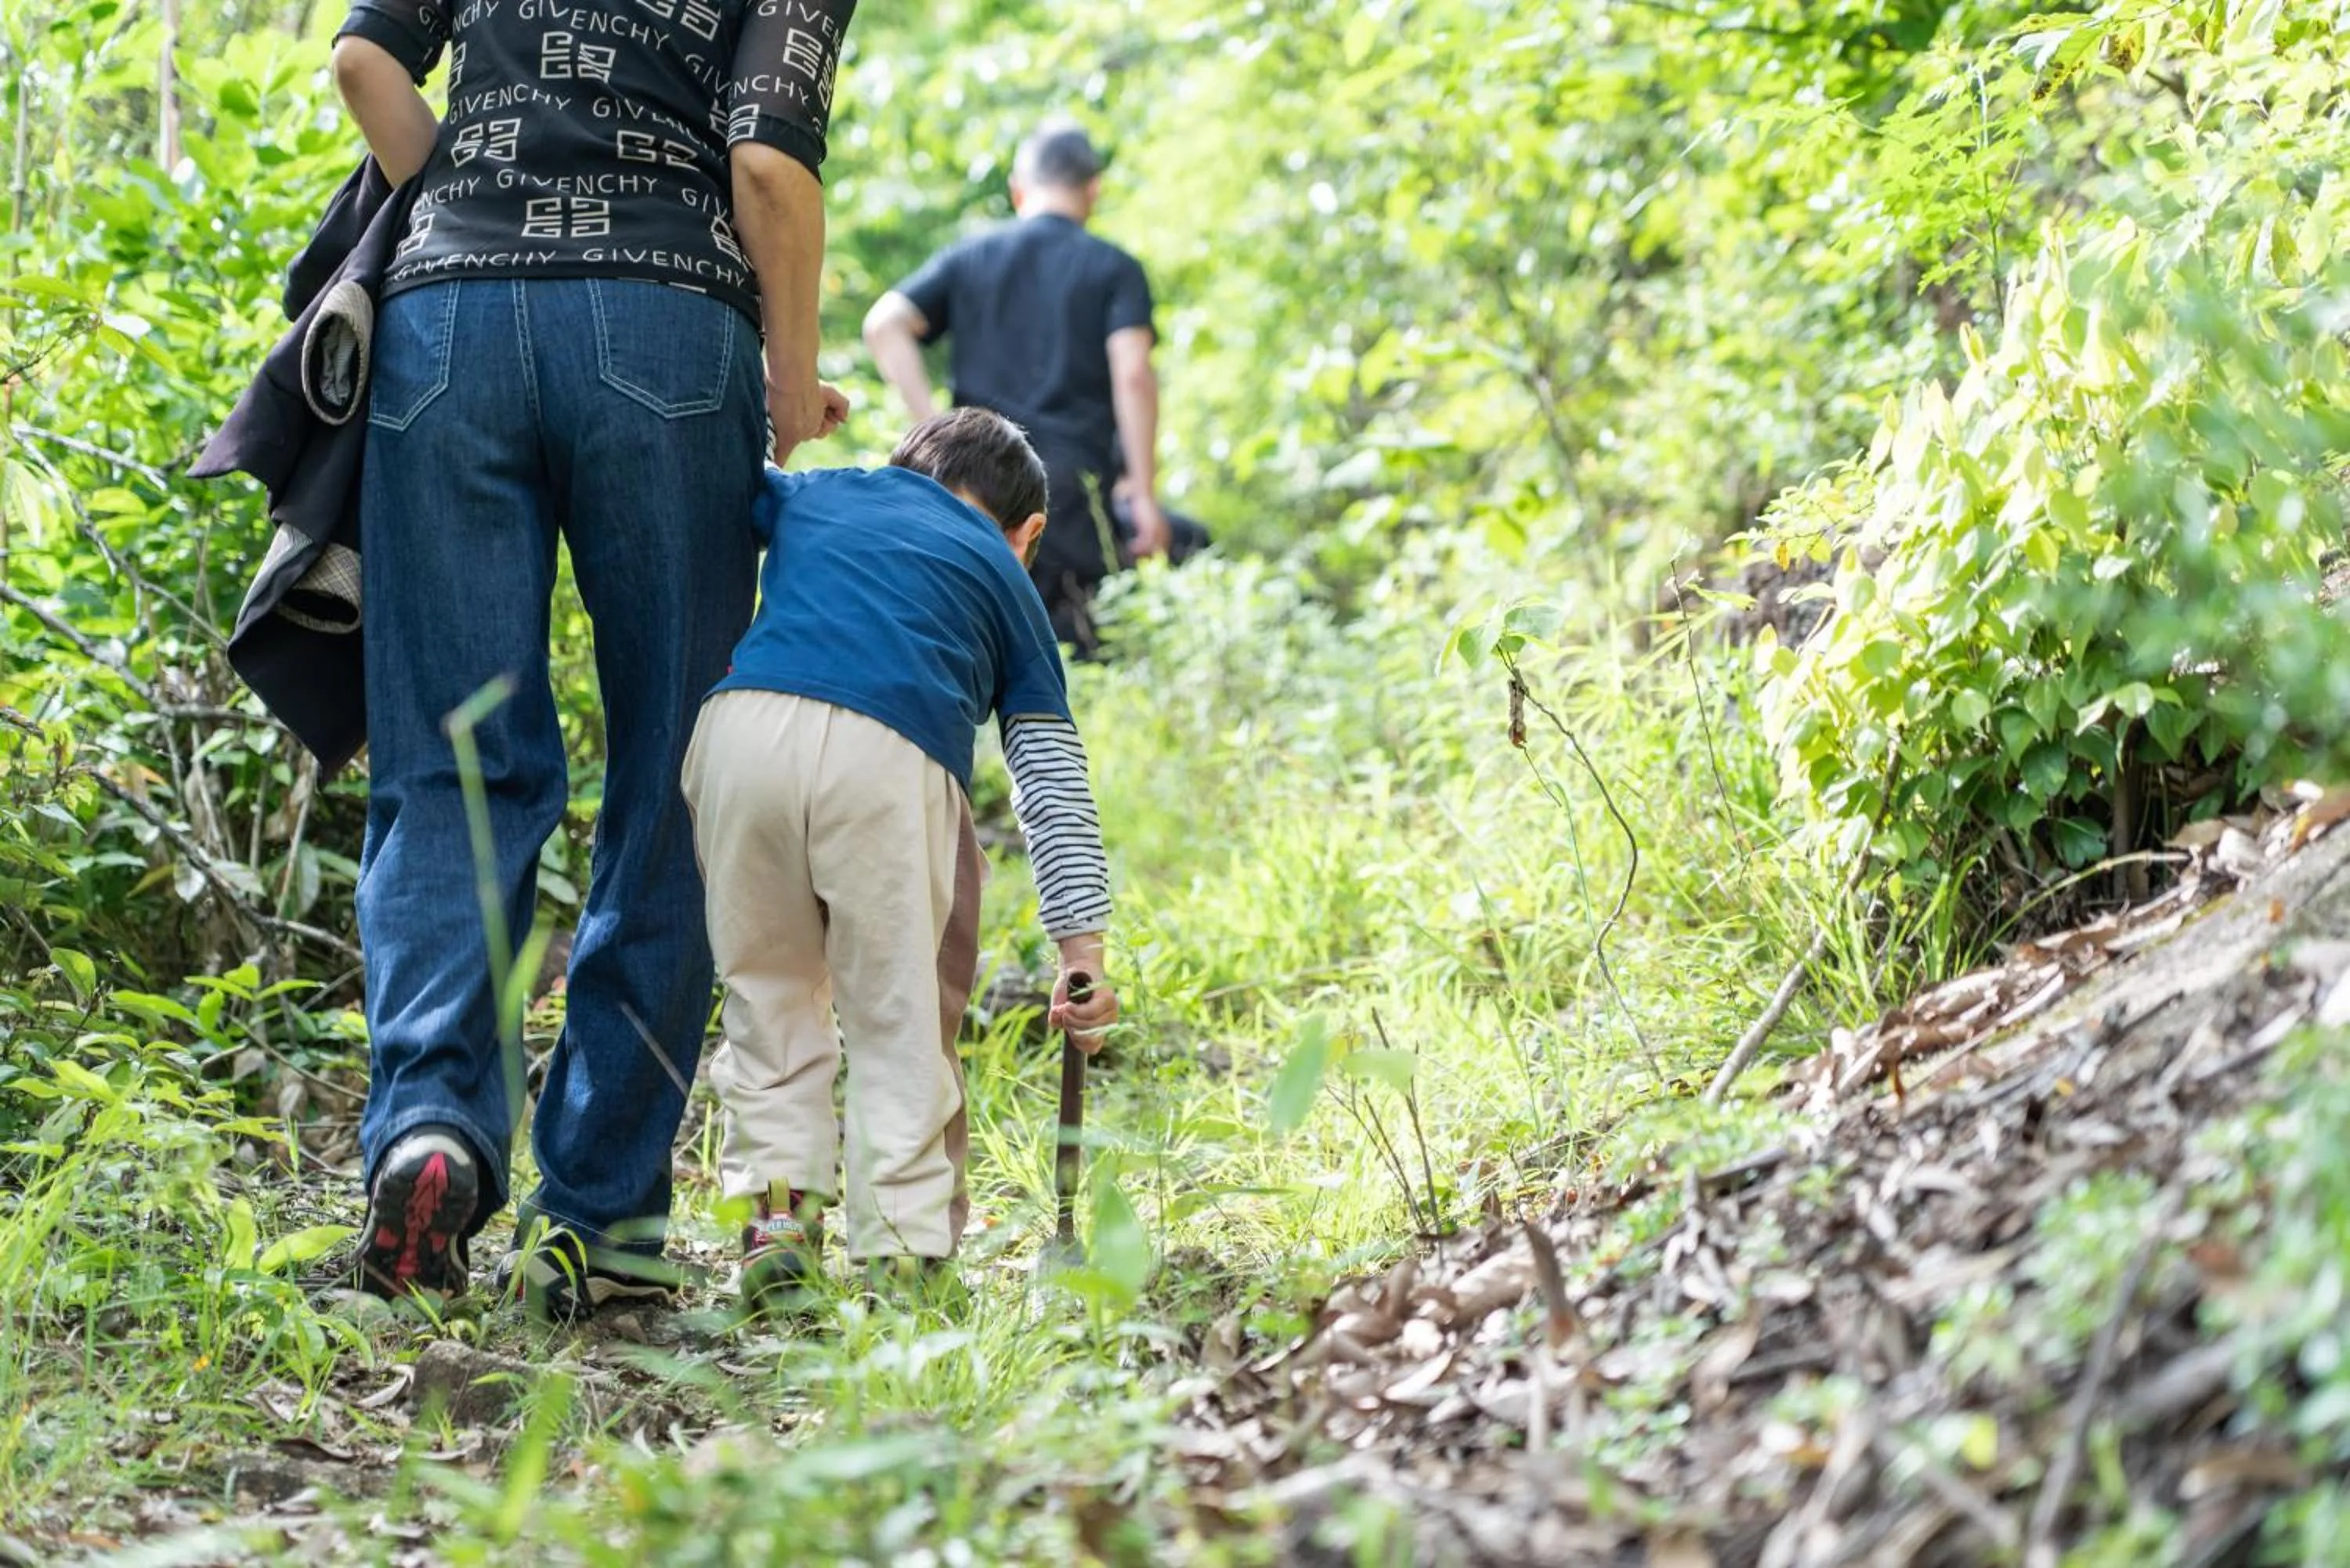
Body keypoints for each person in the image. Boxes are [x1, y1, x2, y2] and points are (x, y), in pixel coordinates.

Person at [328, 0, 854, 1319]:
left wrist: (460, 204)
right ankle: (601, 1213)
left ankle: (433, 1131)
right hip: (668, 323)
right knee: (679, 776)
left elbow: (365, 59)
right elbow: (766, 165)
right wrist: (792, 379)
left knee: (453, 762)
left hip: (445, 329)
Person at [680, 407, 1122, 1308]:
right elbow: (1048, 772)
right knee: (897, 1013)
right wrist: (1084, 953)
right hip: (886, 757)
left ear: (897, 470)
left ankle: (776, 1224)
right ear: (1028, 531)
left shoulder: (818, 493)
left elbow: (725, 472)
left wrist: (785, 419)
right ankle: (903, 1253)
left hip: (740, 733)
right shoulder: (1002, 568)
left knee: (766, 996)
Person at [862, 119, 1167, 653]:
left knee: (976, 644)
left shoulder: (970, 258)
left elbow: (883, 323)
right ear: (1092, 189)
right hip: (1071, 491)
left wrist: (933, 430)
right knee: (1078, 653)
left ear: (1018, 189)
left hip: (976, 485)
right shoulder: (1114, 269)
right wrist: (1142, 492)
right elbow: (1134, 375)